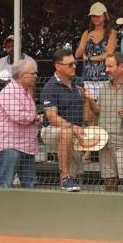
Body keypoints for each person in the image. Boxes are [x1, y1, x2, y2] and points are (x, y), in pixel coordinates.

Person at [82, 53, 123, 193]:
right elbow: (97, 110)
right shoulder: (103, 88)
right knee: (109, 182)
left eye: (109, 66)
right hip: (105, 143)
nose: (106, 69)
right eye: (106, 66)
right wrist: (89, 99)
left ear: (121, 67)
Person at [40, 49, 90, 192]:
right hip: (51, 130)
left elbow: (86, 104)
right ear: (58, 66)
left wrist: (85, 125)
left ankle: (69, 180)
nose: (74, 66)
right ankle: (64, 177)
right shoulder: (50, 87)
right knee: (66, 132)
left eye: (75, 63)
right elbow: (52, 117)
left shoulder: (78, 82)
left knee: (74, 168)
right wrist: (73, 128)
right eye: (70, 64)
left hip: (75, 131)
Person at [0, 60, 41, 188]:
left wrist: (32, 117)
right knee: (5, 183)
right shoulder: (10, 91)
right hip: (10, 144)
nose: (36, 76)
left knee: (30, 183)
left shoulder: (26, 92)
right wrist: (34, 117)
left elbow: (27, 115)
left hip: (26, 144)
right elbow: (19, 116)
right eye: (33, 73)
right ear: (22, 75)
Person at [75, 2, 118, 84]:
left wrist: (89, 58)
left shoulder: (111, 33)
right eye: (93, 16)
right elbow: (77, 55)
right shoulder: (87, 33)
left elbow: (109, 55)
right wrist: (86, 41)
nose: (95, 18)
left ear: (105, 16)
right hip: (87, 77)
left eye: (98, 15)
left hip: (105, 78)